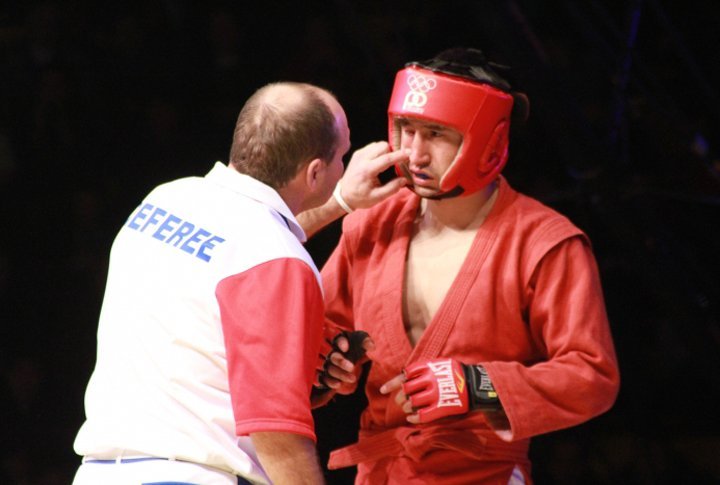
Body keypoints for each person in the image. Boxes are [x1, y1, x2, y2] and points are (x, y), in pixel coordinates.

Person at [304, 48, 621, 484]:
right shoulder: (371, 224)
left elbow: (591, 376)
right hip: (381, 474)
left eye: (435, 133)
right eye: (406, 130)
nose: (414, 153)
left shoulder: (544, 242)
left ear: (487, 141)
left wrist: (477, 385)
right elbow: (319, 332)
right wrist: (326, 368)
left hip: (484, 472)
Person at [71, 81, 409, 485]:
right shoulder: (276, 260)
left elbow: (242, 246)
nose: (344, 168)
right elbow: (278, 435)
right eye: (342, 156)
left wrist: (339, 202)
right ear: (315, 172)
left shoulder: (163, 199)